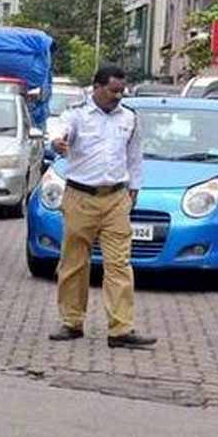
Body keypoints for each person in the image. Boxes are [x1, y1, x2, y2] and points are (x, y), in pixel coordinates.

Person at [49, 65, 157, 350]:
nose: (118, 96)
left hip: (116, 199)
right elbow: (62, 131)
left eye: (122, 91)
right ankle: (72, 322)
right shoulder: (77, 114)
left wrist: (134, 189)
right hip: (80, 196)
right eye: (112, 90)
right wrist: (59, 142)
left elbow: (134, 157)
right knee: (74, 263)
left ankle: (121, 329)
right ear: (96, 87)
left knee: (119, 263)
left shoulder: (130, 118)